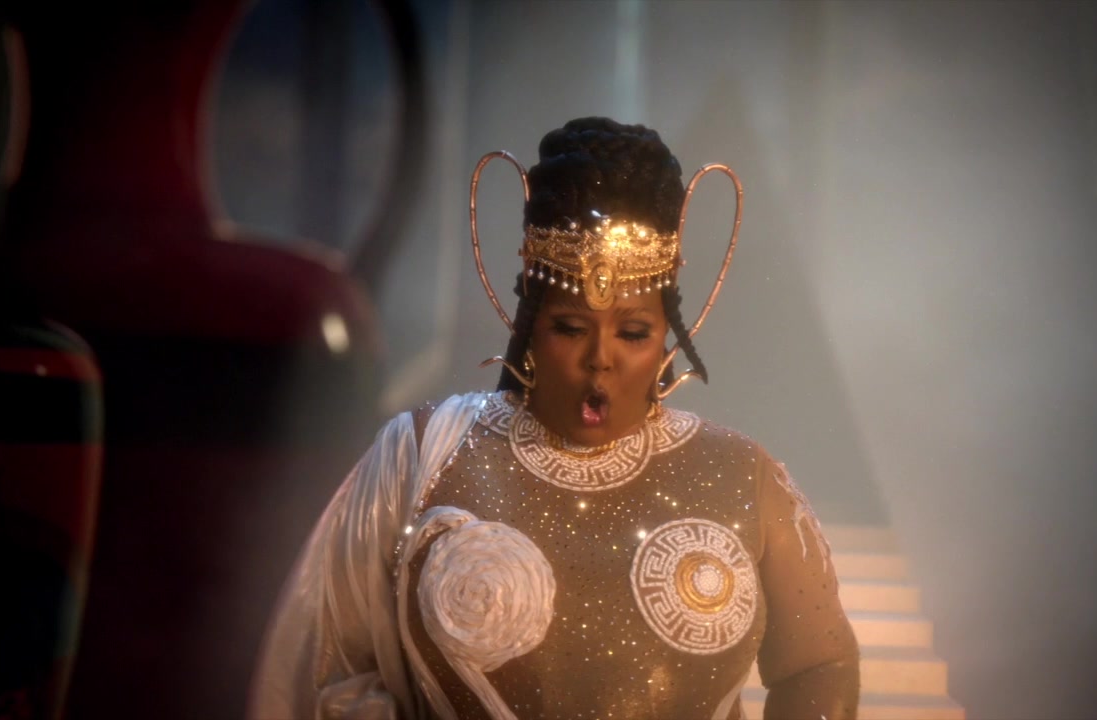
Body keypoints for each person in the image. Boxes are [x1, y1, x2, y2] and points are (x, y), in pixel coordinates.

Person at [248, 117, 859, 720]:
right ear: (528, 325)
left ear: (668, 337)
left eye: (633, 332)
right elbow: (319, 671)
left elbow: (819, 664)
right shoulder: (423, 454)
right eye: (569, 327)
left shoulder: (742, 475)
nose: (600, 359)